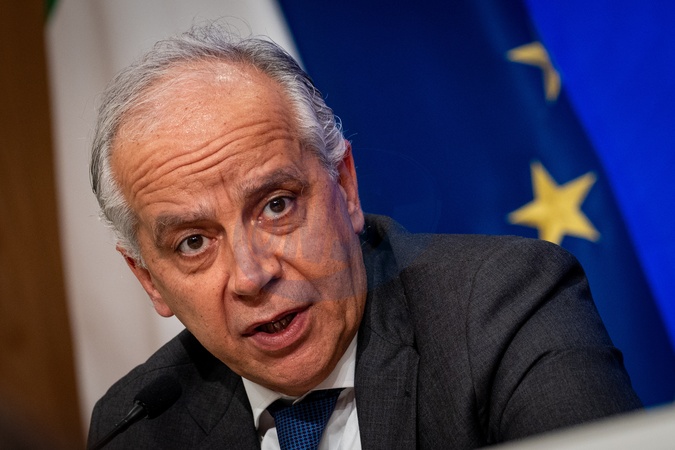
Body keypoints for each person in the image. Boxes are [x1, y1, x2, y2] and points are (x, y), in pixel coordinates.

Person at [87, 24, 641, 449]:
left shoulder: (502, 308)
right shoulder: (137, 426)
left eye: (277, 206)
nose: (252, 276)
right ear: (149, 280)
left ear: (346, 187)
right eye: (193, 243)